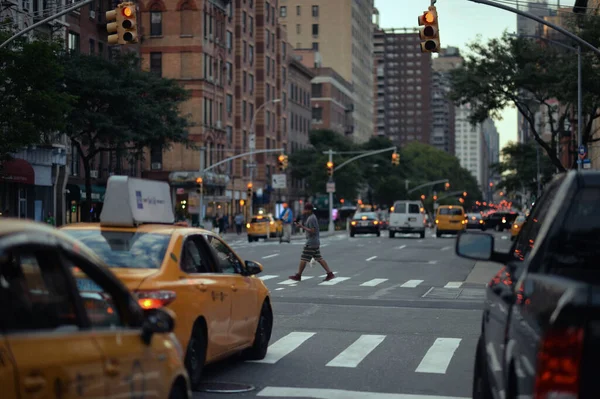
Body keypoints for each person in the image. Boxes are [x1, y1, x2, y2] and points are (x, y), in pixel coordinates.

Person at [289, 203, 334, 282]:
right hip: (315, 241)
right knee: (319, 258)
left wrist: (302, 227)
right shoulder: (311, 217)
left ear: (308, 210)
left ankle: (298, 275)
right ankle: (330, 273)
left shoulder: (312, 218)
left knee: (303, 258)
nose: (304, 211)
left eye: (305, 210)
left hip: (311, 242)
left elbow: (313, 231)